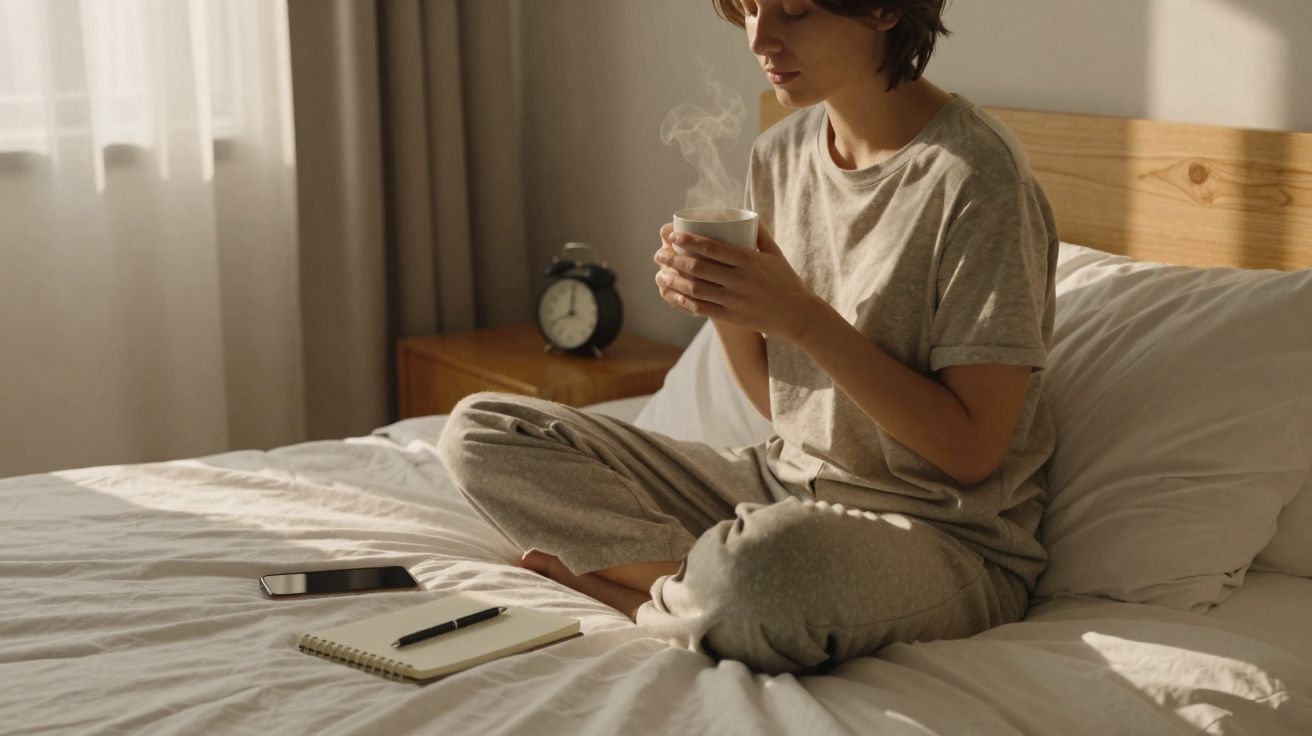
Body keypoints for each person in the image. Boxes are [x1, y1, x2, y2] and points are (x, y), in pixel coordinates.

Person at [436, 0, 1059, 676]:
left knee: (760, 572)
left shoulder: (976, 177)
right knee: (479, 431)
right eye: (751, 6)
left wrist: (801, 317)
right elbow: (779, 404)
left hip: (941, 536)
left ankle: (634, 587)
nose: (760, 37)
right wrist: (724, 303)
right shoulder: (781, 153)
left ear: (883, 9)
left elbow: (971, 451)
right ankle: (695, 582)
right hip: (781, 486)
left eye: (793, 10)